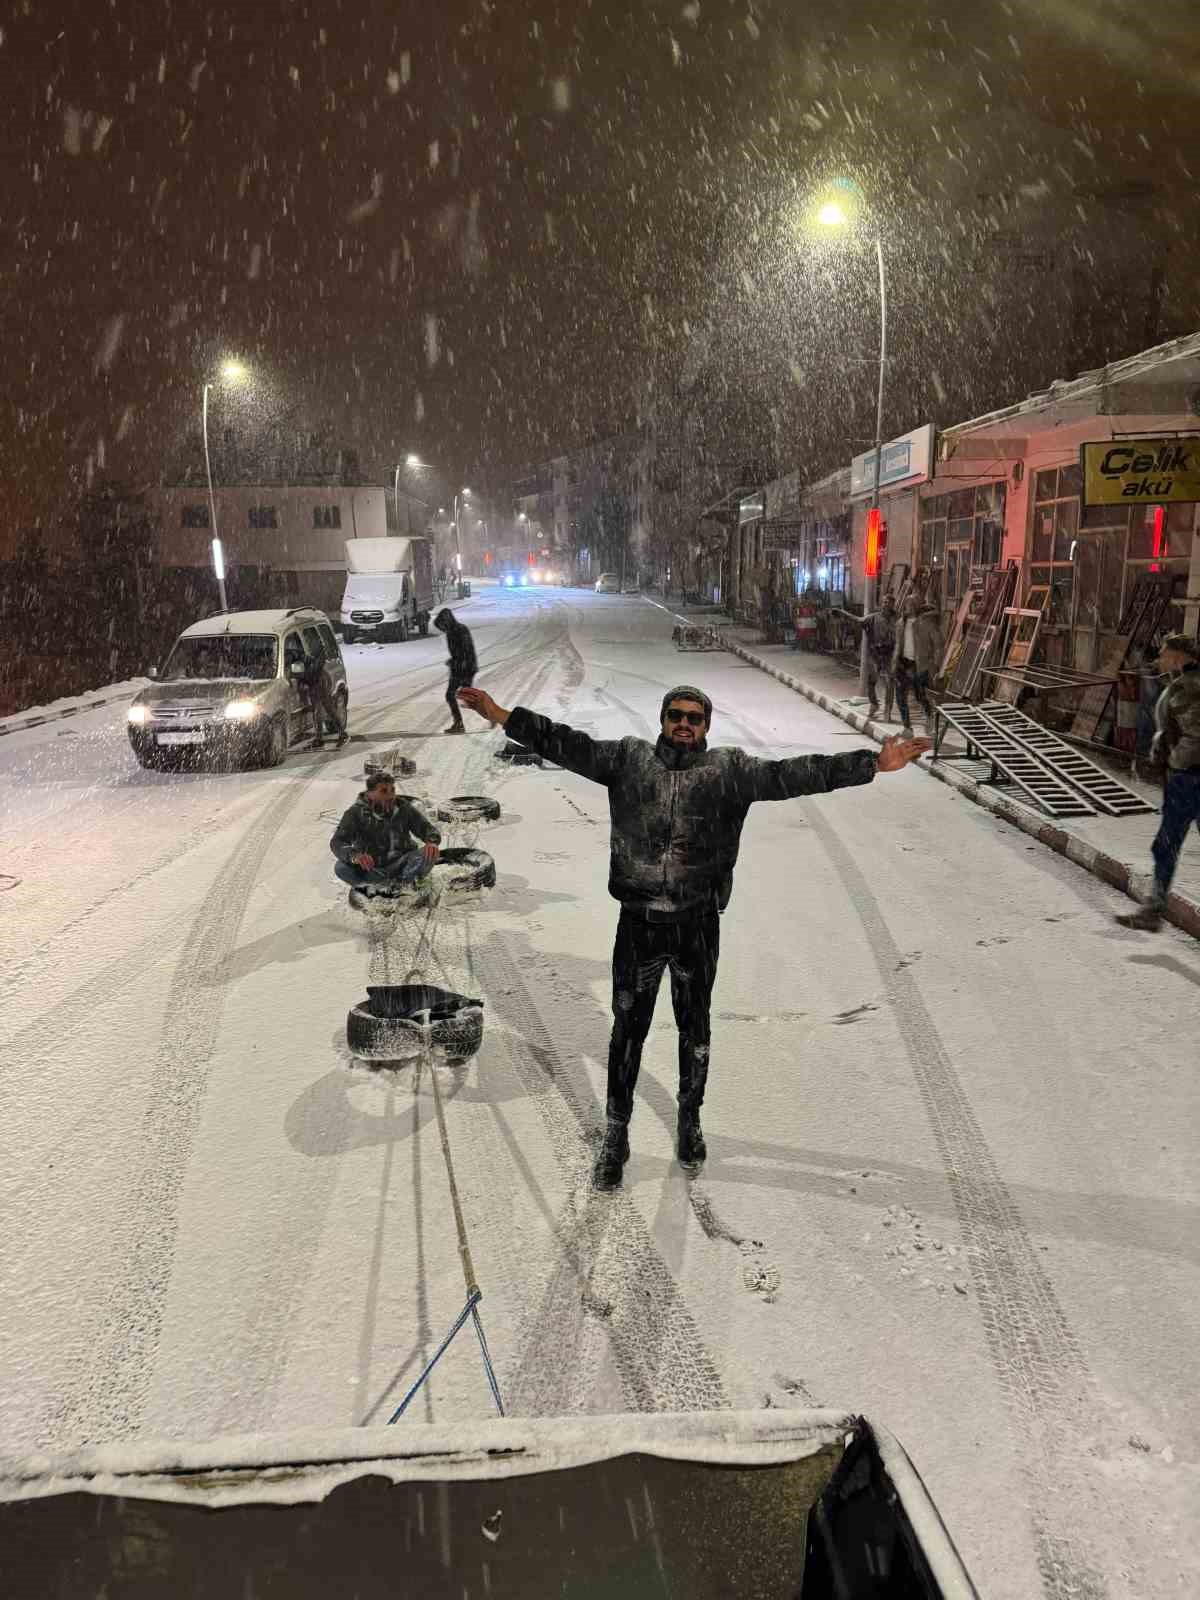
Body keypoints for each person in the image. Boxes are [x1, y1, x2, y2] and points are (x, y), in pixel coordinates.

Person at [458, 680, 930, 1189]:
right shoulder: (628, 761)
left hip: (697, 926)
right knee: (627, 1034)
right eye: (676, 715)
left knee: (695, 1032)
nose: (685, 724)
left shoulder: (728, 772)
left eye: (695, 718)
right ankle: (616, 1136)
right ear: (662, 720)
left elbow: (796, 773)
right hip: (638, 925)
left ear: (707, 726)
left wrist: (872, 765)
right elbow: (565, 743)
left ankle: (689, 1123)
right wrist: (504, 715)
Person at [1116, 633, 1200, 931]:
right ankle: (1153, 909)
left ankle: (1154, 911)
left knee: (1166, 846)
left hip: (1189, 780)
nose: (1159, 658)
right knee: (1165, 846)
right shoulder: (1181, 684)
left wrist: (1174, 761)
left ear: (1179, 656)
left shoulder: (1188, 687)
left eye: (1164, 653)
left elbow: (1195, 735)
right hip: (1186, 779)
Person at [330, 770, 440, 904]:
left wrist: (432, 841)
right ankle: (379, 887)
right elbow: (337, 841)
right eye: (383, 791)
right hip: (374, 869)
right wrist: (355, 855)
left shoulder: (403, 806)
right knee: (341, 867)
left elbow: (426, 828)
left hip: (404, 863)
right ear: (370, 794)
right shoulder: (355, 813)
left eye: (392, 790)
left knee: (429, 853)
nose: (391, 795)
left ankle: (404, 887)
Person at [844, 593, 899, 719]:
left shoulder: (898, 619)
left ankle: (887, 710)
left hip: (890, 654)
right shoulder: (873, 618)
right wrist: (842, 612)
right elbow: (858, 619)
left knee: (890, 683)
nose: (886, 604)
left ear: (892, 604)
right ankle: (874, 704)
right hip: (876, 654)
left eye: (888, 602)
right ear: (882, 603)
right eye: (884, 602)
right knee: (871, 682)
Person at [892, 599, 942, 737]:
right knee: (900, 697)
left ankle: (929, 715)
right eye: (907, 604)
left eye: (912, 604)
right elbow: (897, 645)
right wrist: (893, 663)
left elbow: (938, 644)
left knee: (920, 696)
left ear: (917, 607)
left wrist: (936, 665)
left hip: (919, 665)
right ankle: (907, 728)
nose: (908, 607)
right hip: (902, 664)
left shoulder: (926, 623)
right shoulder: (900, 624)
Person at [434, 607, 477, 734]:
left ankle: (459, 724)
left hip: (464, 668)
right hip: (460, 667)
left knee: (456, 696)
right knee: (467, 698)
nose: (442, 629)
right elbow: (459, 652)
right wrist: (453, 661)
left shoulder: (459, 631)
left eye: (442, 626)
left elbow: (465, 651)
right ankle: (459, 723)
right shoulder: (452, 631)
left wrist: (458, 662)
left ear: (447, 621)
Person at [296, 648, 347, 750]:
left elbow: (317, 666)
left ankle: (340, 734)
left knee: (324, 710)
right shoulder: (302, 660)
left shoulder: (311, 660)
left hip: (320, 684)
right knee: (319, 712)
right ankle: (320, 738)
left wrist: (304, 680)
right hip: (315, 684)